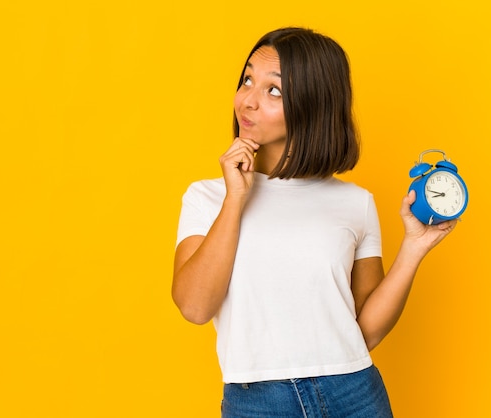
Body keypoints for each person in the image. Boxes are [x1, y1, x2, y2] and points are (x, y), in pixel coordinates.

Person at [172, 27, 457, 417]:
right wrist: (236, 198)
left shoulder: (354, 202)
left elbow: (365, 329)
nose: (248, 101)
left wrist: (414, 248)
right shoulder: (207, 197)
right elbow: (194, 307)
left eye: (273, 90)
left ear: (313, 104)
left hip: (354, 393)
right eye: (248, 80)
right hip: (257, 402)